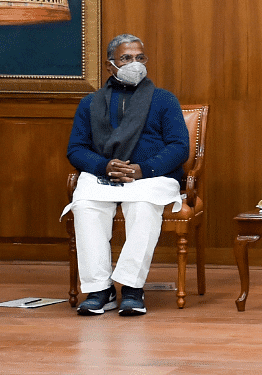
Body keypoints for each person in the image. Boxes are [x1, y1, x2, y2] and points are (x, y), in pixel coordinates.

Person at [63, 34, 190, 316]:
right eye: (126, 58)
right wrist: (104, 166)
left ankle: (132, 288)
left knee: (143, 207)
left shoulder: (163, 99)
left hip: (151, 176)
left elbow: (180, 147)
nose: (135, 64)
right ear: (110, 66)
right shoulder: (90, 103)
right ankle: (99, 290)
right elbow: (76, 149)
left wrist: (143, 169)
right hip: (103, 174)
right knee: (85, 206)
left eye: (140, 58)